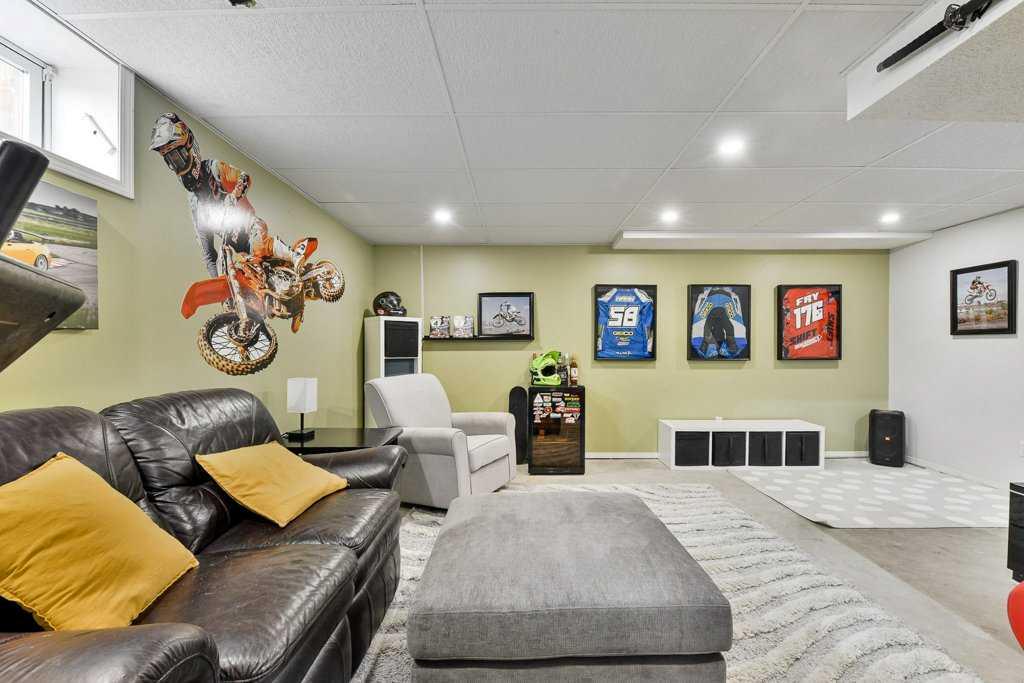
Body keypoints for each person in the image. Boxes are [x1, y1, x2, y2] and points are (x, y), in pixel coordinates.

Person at [150, 113, 255, 277]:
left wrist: (235, 195)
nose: (174, 163)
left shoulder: (215, 168)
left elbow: (244, 177)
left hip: (252, 230)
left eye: (176, 156)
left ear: (188, 146)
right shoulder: (195, 204)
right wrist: (217, 286)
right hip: (236, 247)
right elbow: (208, 255)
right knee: (229, 267)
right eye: (169, 159)